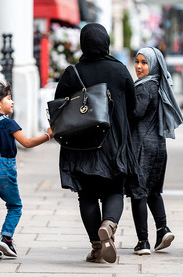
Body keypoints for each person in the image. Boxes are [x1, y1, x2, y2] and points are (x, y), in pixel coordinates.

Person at [54, 23, 145, 264]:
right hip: (113, 143)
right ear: (105, 42)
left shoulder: (72, 72)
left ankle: (96, 247)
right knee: (115, 188)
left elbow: (58, 107)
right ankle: (109, 224)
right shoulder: (119, 70)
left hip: (81, 145)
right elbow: (133, 107)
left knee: (87, 195)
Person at [0, 81, 54, 260]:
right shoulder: (9, 124)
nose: (12, 102)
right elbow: (27, 143)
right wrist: (48, 135)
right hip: (3, 172)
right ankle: (6, 237)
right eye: (9, 99)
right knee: (15, 206)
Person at [129, 46, 183, 255]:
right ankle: (163, 230)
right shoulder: (158, 84)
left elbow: (136, 113)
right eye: (137, 62)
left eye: (145, 63)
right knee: (153, 191)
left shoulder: (145, 87)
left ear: (153, 66)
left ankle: (142, 241)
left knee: (138, 193)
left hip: (142, 146)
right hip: (158, 145)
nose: (140, 67)